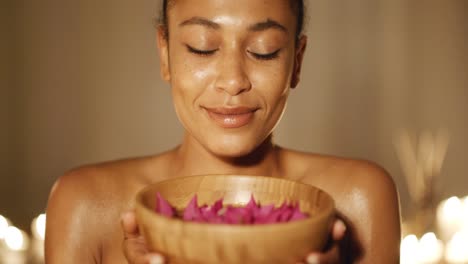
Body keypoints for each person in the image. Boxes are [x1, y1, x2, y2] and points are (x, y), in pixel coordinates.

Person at [44, 0, 401, 263]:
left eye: (265, 51)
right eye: (202, 47)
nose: (233, 81)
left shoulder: (358, 199)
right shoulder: (87, 205)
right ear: (165, 54)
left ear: (297, 60)